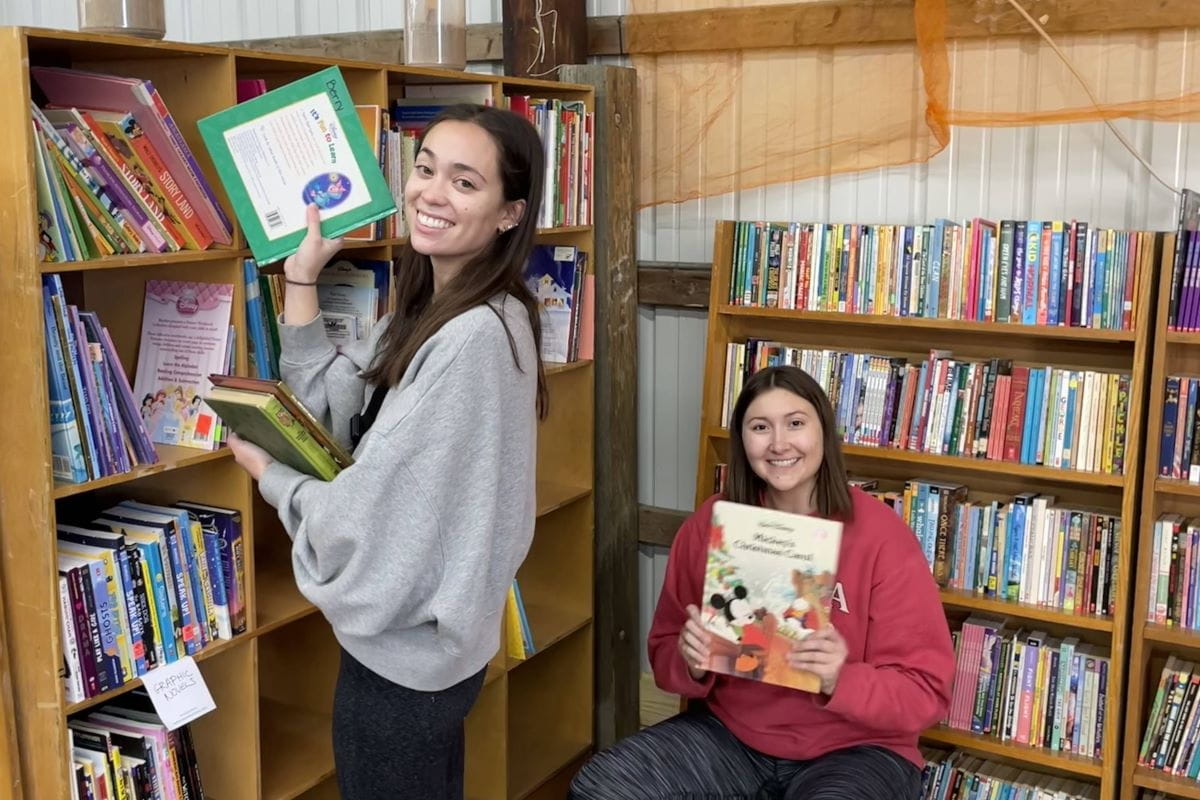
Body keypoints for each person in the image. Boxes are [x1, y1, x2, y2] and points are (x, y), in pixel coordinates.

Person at [226, 104, 548, 800]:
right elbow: (339, 414)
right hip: (425, 654)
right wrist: (303, 279)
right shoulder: (434, 306)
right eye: (425, 169)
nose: (431, 193)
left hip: (406, 665)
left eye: (465, 183)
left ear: (508, 214)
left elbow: (365, 513)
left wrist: (271, 475)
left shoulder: (473, 338)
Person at [569, 365, 956, 800]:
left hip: (857, 747)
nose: (778, 443)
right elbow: (664, 653)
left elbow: (926, 692)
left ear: (823, 433)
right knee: (601, 788)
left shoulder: (882, 536)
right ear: (742, 441)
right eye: (760, 427)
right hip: (731, 736)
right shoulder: (711, 525)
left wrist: (838, 678)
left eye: (795, 423)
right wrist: (692, 661)